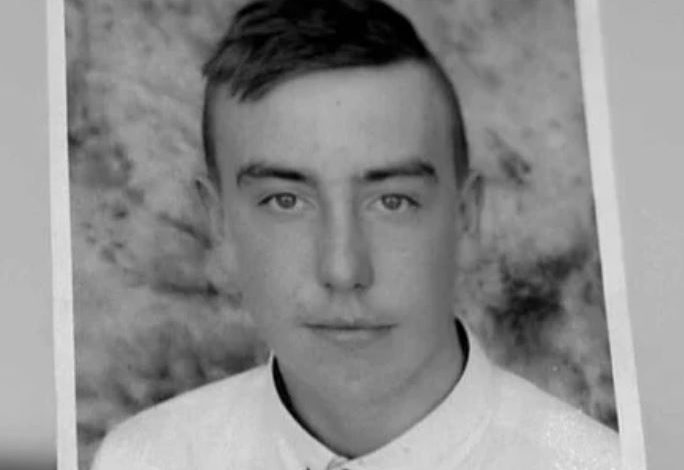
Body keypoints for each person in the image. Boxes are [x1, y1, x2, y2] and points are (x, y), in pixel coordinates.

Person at [91, 0, 620, 468]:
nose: (343, 270)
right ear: (220, 226)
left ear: (465, 219)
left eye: (392, 201)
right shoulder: (142, 460)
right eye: (285, 201)